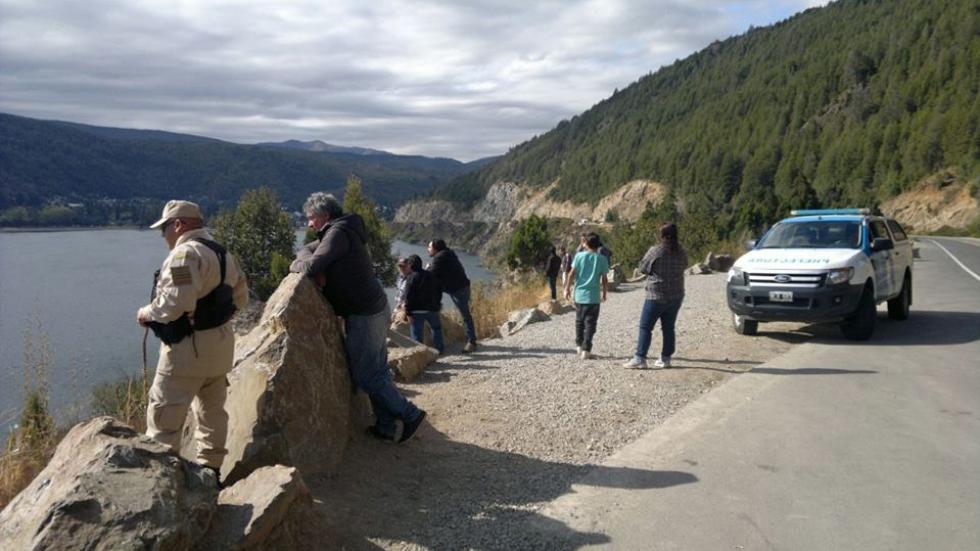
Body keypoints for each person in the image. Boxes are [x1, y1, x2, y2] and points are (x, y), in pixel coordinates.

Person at [291, 192, 426, 443]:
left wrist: (296, 264)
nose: (309, 224)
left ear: (325, 216)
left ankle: (410, 414)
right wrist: (304, 254)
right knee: (377, 371)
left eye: (311, 218)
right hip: (373, 309)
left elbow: (310, 266)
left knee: (366, 375)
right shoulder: (341, 230)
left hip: (365, 314)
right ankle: (386, 426)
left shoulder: (339, 233)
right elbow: (310, 249)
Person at [137, 200, 249, 480]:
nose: (163, 236)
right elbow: (242, 299)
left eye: (164, 229)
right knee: (212, 413)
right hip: (220, 348)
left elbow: (176, 302)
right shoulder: (224, 254)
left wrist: (146, 312)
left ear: (179, 225)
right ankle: (211, 473)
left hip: (188, 350)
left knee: (165, 417)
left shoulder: (183, 256)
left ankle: (161, 480)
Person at [623, 223, 688, 369]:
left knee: (646, 327)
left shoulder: (656, 250)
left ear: (662, 236)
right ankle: (665, 358)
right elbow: (685, 265)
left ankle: (640, 358)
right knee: (668, 327)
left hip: (656, 294)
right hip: (676, 294)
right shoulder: (681, 251)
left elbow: (642, 268)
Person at [427, 238, 478, 352]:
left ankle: (472, 342)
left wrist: (427, 268)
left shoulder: (439, 258)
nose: (428, 249)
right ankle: (470, 339)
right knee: (465, 315)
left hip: (458, 290)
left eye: (429, 247)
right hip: (460, 287)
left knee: (465, 315)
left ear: (436, 249)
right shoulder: (448, 253)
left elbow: (429, 275)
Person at [563, 233, 609, 360]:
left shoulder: (579, 256)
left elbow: (571, 274)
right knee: (590, 324)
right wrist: (604, 293)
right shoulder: (602, 259)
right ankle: (586, 350)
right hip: (594, 297)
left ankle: (578, 345)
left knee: (579, 321)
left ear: (586, 244)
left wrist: (567, 288)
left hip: (579, 295)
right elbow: (604, 279)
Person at [403, 254, 444, 353]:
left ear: (410, 265)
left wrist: (408, 312)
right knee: (436, 329)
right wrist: (437, 304)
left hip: (416, 311)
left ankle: (420, 354)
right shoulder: (431, 275)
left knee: (417, 334)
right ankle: (439, 350)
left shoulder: (411, 278)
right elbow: (439, 290)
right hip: (432, 309)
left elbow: (407, 296)